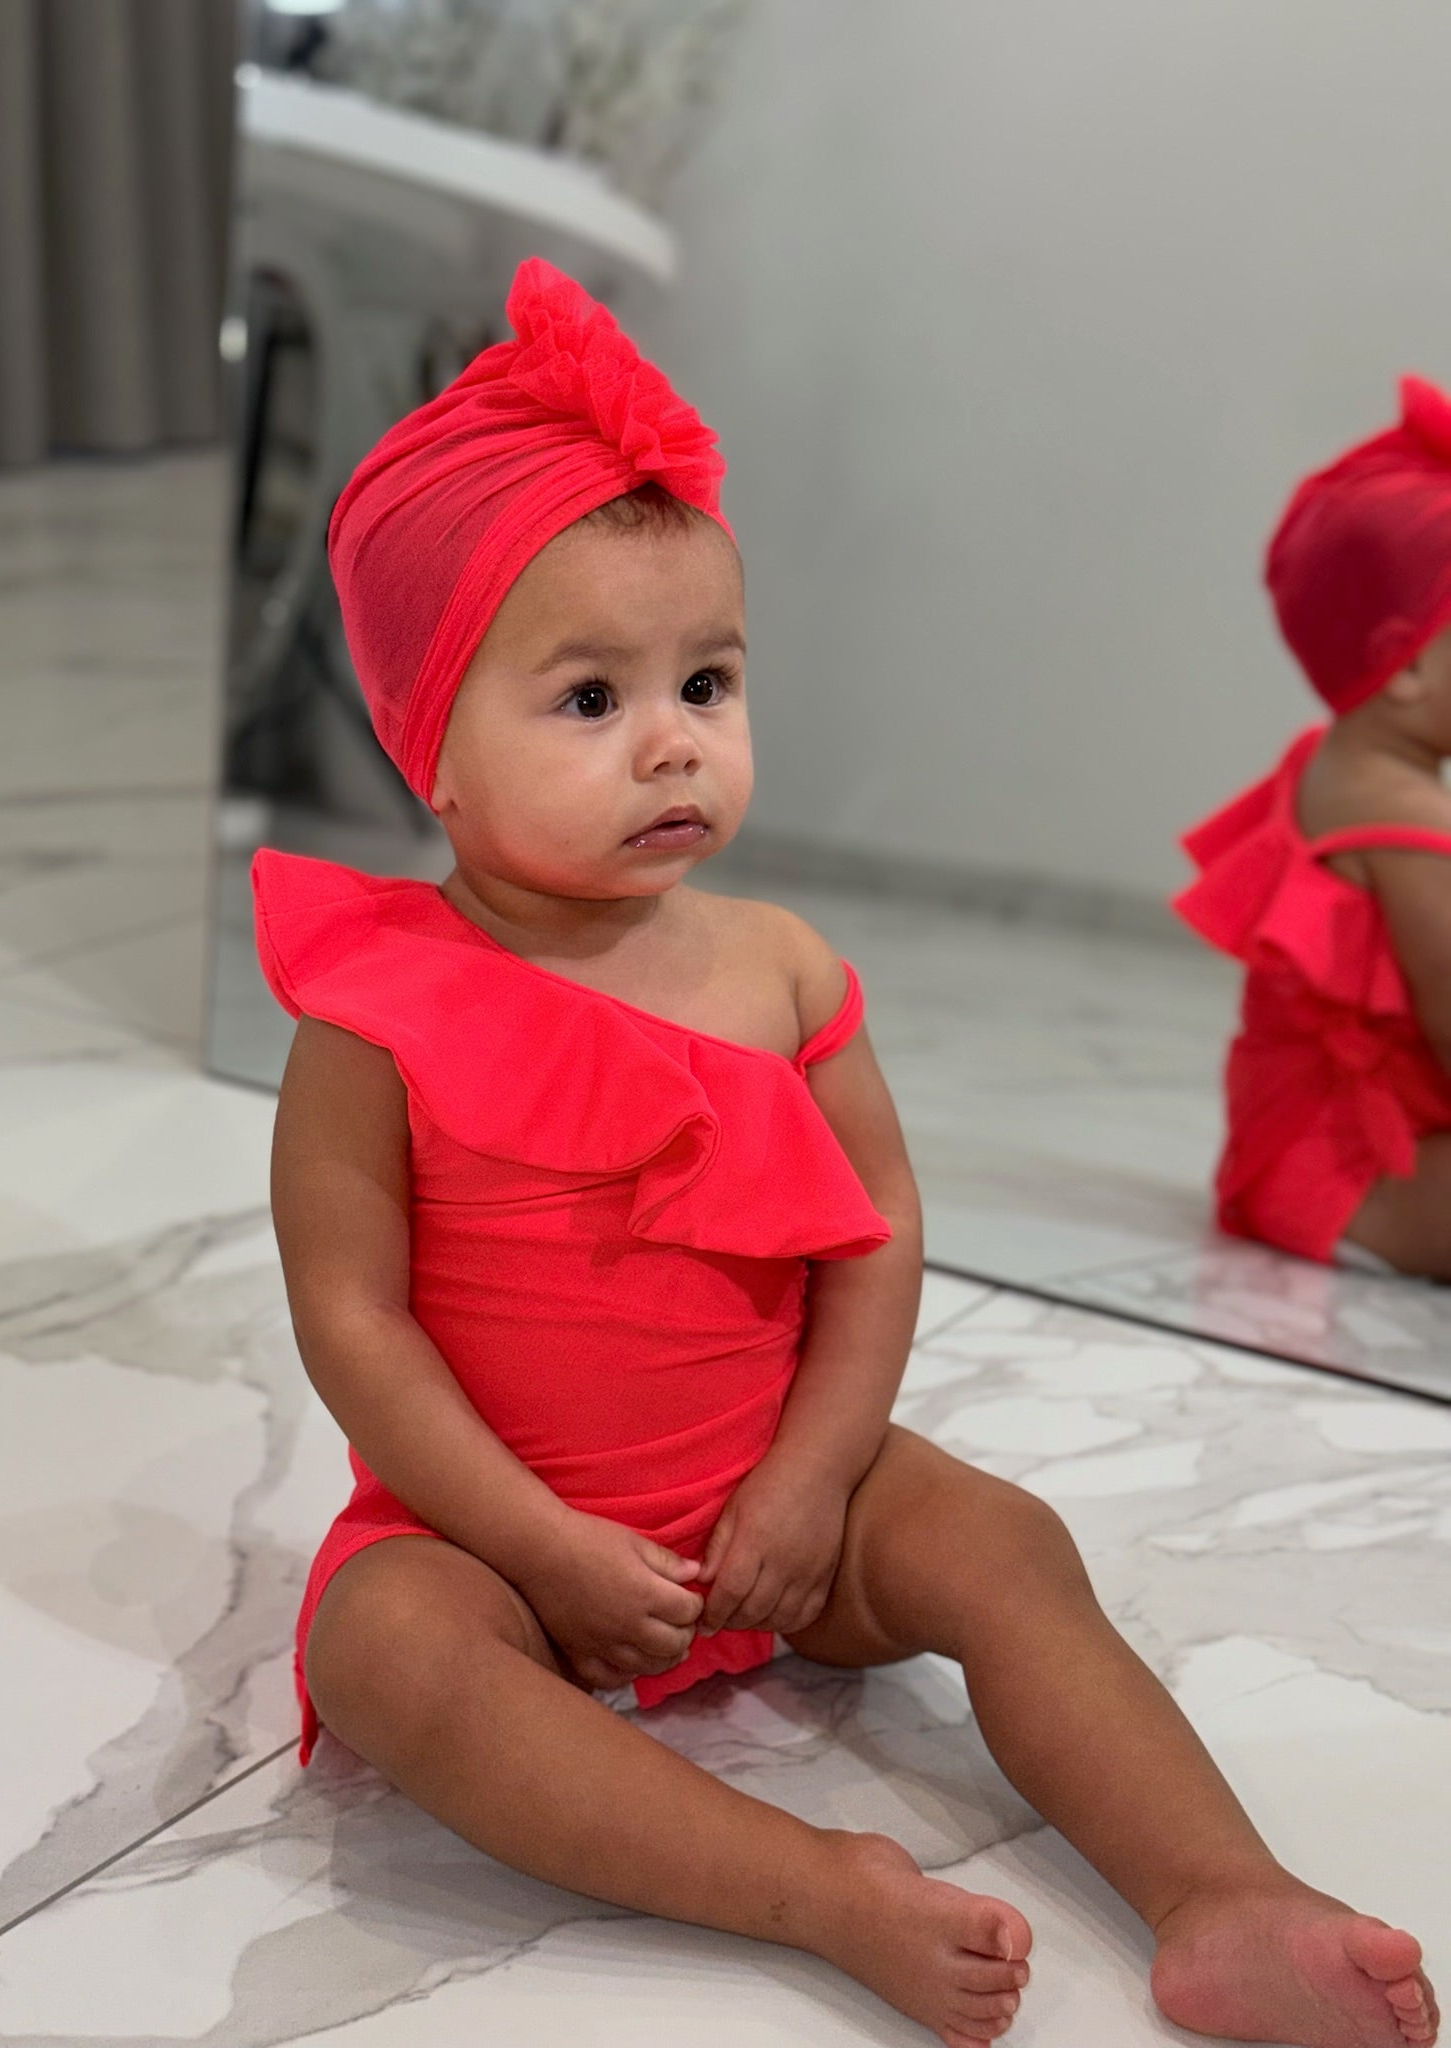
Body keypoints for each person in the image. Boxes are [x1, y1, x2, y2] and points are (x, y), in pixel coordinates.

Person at [255, 262, 1437, 2048]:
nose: (672, 739)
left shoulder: (780, 967)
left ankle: (1218, 1888)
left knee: (1003, 1537)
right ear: (430, 737)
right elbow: (354, 1320)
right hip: (492, 1526)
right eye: (588, 700)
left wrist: (812, 1484)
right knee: (394, 1651)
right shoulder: (373, 1005)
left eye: (707, 681)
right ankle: (815, 1887)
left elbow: (875, 1236)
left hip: (774, 1501)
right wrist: (535, 1541)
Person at [1176, 376, 1451, 1280]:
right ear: (1404, 667)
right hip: (1353, 1170)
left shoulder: (1334, 764)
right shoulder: (1407, 818)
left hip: (1291, 1145)